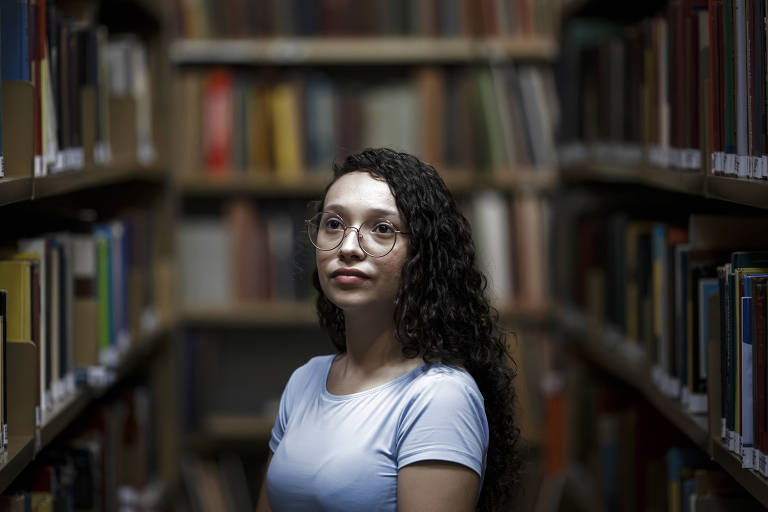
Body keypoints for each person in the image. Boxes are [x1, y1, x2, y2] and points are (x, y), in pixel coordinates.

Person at [256, 148, 520, 512]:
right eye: (333, 224)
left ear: (422, 255)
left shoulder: (439, 397)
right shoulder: (305, 380)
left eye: (382, 229)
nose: (347, 247)